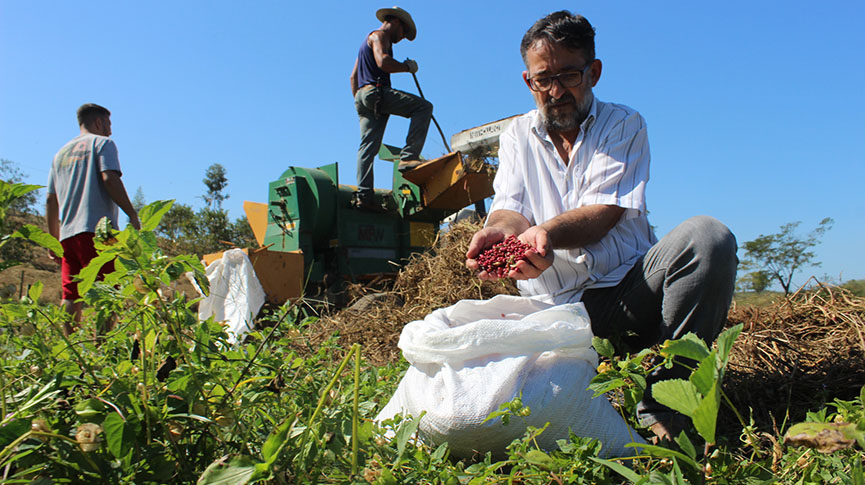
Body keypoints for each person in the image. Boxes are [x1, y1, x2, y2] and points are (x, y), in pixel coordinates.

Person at [465, 11, 738, 442]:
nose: (555, 92)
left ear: (593, 72)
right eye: (542, 80)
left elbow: (604, 211)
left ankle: (667, 408)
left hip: (627, 297)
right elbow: (510, 208)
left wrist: (546, 235)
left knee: (708, 238)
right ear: (527, 81)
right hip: (554, 314)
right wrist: (500, 231)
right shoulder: (517, 135)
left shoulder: (623, 125)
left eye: (569, 75)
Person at [46, 103, 140, 334]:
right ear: (98, 122)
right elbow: (110, 179)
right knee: (107, 293)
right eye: (108, 124)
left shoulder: (60, 155)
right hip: (99, 234)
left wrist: (52, 240)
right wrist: (132, 214)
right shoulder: (103, 144)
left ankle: (72, 350)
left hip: (68, 236)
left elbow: (50, 200)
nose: (110, 131)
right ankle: (103, 348)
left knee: (71, 296)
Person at [350, 6, 433, 211]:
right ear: (396, 22)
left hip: (363, 95)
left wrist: (360, 103)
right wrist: (407, 67)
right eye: (403, 33)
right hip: (375, 92)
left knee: (367, 148)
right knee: (423, 107)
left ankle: (365, 197)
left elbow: (352, 77)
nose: (402, 38)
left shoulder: (365, 42)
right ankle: (408, 157)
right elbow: (383, 61)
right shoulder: (380, 36)